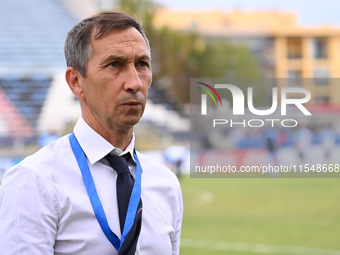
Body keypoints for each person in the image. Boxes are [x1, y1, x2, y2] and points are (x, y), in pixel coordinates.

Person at [0, 11, 183, 255]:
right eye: (114, 65)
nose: (135, 82)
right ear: (76, 81)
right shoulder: (34, 182)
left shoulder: (166, 184)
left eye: (142, 64)